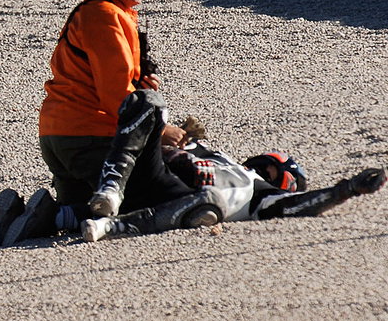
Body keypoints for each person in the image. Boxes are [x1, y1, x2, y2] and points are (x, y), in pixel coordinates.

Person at [0, 0, 190, 246]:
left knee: (83, 214)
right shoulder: (106, 15)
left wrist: (139, 83)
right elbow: (115, 95)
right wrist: (159, 129)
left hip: (59, 137)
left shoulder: (98, 10)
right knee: (153, 204)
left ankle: (41, 215)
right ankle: (54, 216)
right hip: (90, 136)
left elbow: (98, 79)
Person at [80, 89, 384, 240]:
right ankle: (99, 195)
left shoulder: (260, 195)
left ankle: (113, 225)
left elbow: (300, 205)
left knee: (210, 202)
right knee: (148, 101)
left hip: (181, 197)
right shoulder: (217, 155)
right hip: (147, 173)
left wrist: (347, 189)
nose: (264, 175)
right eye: (268, 169)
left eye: (273, 178)